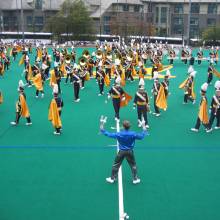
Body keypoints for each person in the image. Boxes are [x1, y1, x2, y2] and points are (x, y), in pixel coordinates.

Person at [100, 119, 148, 184]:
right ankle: (135, 179)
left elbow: (107, 134)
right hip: (130, 151)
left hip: (121, 152)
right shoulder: (133, 134)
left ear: (123, 126)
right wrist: (143, 126)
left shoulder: (119, 134)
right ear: (129, 126)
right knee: (133, 165)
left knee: (116, 165)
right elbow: (142, 136)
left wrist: (102, 124)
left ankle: (112, 178)